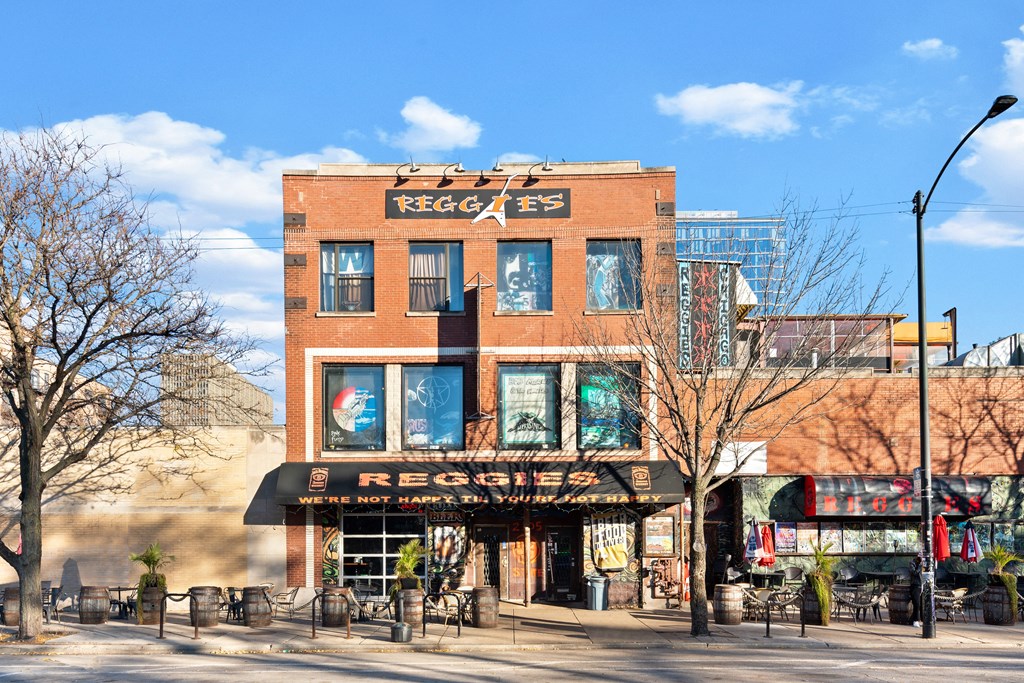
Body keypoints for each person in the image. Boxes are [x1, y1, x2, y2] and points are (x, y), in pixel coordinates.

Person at [909, 555, 923, 627]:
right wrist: (920, 567)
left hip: (923, 584)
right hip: (916, 585)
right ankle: (915, 620)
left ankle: (923, 619)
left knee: (923, 603)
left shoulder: (927, 564)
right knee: (916, 603)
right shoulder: (912, 563)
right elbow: (914, 573)